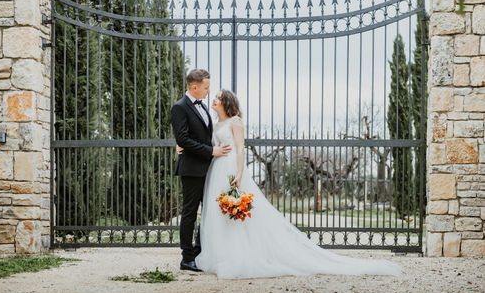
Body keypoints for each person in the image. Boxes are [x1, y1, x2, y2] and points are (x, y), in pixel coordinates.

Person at [178, 89, 402, 279]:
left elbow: (240, 150)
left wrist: (239, 173)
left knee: (238, 213)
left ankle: (239, 255)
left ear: (226, 102)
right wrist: (183, 147)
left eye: (217, 97)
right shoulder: (216, 123)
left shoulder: (235, 122)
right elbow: (202, 143)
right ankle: (218, 253)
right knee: (217, 213)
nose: (213, 100)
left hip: (230, 169)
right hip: (215, 169)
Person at [170, 69, 232, 272]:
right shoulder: (179, 107)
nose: (208, 91)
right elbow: (183, 139)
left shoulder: (204, 107)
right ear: (194, 87)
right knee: (190, 213)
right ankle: (186, 258)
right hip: (192, 169)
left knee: (209, 212)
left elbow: (206, 136)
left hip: (210, 169)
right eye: (206, 87)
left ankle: (200, 252)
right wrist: (211, 150)